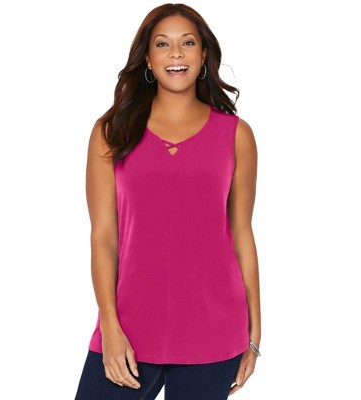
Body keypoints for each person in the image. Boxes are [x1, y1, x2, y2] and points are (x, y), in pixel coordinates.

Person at [74, 3, 261, 399]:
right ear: (147, 57)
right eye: (163, 44)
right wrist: (109, 326)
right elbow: (103, 237)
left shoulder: (236, 135)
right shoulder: (111, 132)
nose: (176, 53)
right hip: (128, 330)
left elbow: (241, 233)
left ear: (204, 54)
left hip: (214, 331)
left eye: (188, 43)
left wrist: (255, 330)